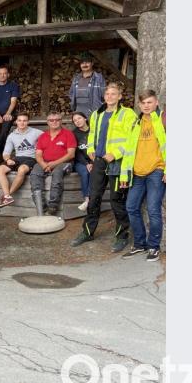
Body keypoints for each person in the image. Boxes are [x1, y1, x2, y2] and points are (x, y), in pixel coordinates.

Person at [71, 83, 137, 252]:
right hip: (99, 161)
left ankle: (122, 236)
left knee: (116, 200)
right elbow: (92, 134)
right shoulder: (97, 114)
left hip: (117, 163)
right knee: (93, 198)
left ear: (120, 96)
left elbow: (132, 139)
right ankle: (87, 232)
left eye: (113, 94)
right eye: (107, 94)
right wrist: (91, 149)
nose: (109, 97)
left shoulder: (128, 114)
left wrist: (115, 153)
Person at [119, 90, 166, 262]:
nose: (146, 106)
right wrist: (124, 175)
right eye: (143, 103)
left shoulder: (163, 119)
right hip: (137, 173)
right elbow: (128, 151)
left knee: (153, 209)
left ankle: (154, 246)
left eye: (149, 102)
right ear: (139, 105)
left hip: (156, 171)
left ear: (156, 102)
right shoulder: (135, 123)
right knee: (131, 207)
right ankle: (139, 244)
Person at [29, 112, 77, 216]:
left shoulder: (68, 134)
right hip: (45, 162)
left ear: (61, 121)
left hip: (64, 163)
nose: (54, 122)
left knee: (57, 173)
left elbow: (71, 154)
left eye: (57, 120)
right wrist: (43, 165)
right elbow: (38, 155)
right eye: (51, 120)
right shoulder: (43, 136)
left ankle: (52, 207)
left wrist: (54, 164)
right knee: (34, 174)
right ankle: (41, 207)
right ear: (47, 122)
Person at [0, 113, 43, 208]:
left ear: (28, 122)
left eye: (24, 120)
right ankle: (7, 196)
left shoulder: (36, 132)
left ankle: (7, 196)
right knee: (0, 169)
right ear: (16, 122)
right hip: (17, 158)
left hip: (31, 158)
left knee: (21, 169)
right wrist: (8, 159)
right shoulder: (12, 136)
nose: (22, 123)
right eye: (20, 120)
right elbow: (6, 152)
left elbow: (50, 138)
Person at [71, 111, 92, 211]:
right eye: (75, 120)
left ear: (85, 118)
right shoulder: (74, 134)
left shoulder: (94, 130)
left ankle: (91, 200)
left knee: (94, 172)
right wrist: (86, 163)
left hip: (95, 160)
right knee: (85, 172)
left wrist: (93, 162)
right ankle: (87, 199)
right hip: (80, 161)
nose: (77, 121)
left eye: (79, 118)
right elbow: (77, 153)